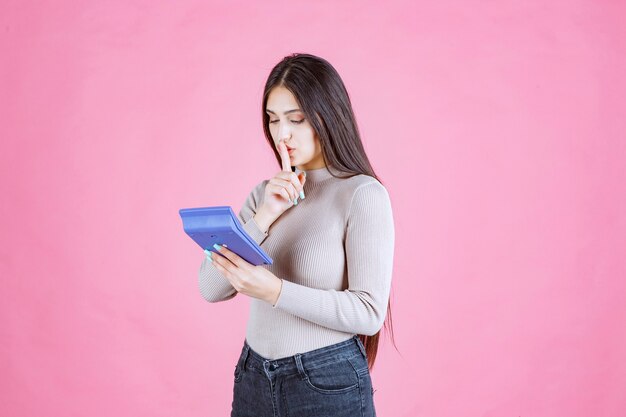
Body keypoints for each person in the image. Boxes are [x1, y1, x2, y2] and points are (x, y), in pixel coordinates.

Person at [198, 53, 395, 417]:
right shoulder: (263, 194)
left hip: (326, 382)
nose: (281, 134)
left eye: (296, 119)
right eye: (273, 120)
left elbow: (369, 311)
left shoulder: (361, 194)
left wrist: (274, 291)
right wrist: (265, 215)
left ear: (329, 115)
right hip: (254, 377)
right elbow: (211, 287)